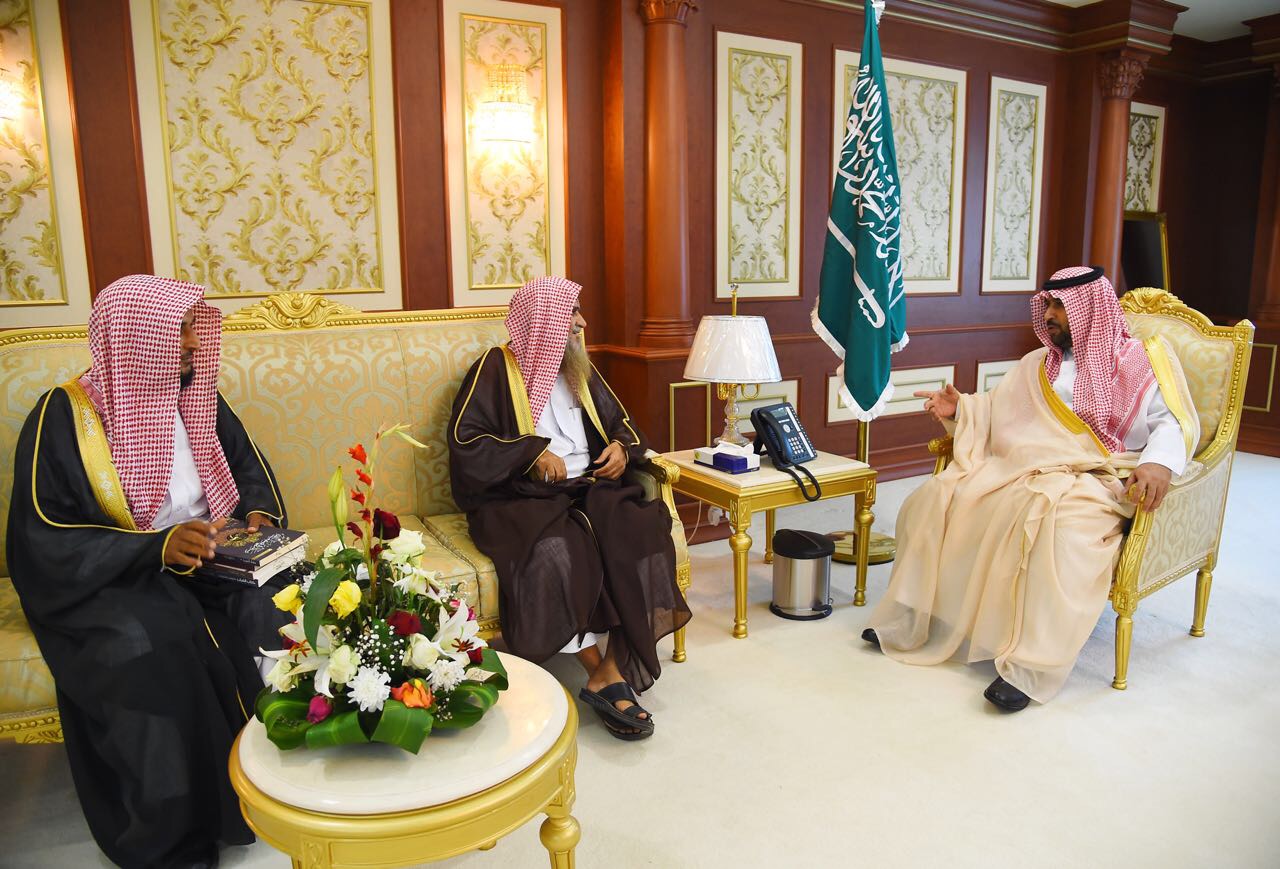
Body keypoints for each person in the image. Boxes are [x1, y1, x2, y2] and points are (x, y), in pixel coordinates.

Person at [7, 274, 291, 867]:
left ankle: (292, 776)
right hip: (119, 572)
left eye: (192, 328)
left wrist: (257, 520)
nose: (193, 342)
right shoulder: (65, 415)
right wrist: (156, 549)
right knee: (152, 646)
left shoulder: (200, 396)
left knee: (294, 599)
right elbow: (44, 534)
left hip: (215, 554)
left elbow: (247, 468)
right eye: (179, 331)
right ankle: (181, 829)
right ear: (138, 338)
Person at [863, 266, 1199, 712]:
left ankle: (1029, 665)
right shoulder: (1037, 364)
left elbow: (1172, 422)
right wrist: (962, 410)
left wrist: (1158, 462)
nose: (1050, 314)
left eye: (1060, 305)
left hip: (1097, 475)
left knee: (1060, 526)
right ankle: (914, 615)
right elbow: (999, 411)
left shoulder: (1139, 361)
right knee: (936, 496)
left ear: (1090, 308)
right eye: (1048, 304)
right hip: (1022, 466)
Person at [448, 276, 690, 740]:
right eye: (571, 313)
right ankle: (599, 672)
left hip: (593, 487)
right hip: (522, 496)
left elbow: (623, 424)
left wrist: (621, 448)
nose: (582, 323)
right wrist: (531, 453)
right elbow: (467, 442)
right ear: (544, 321)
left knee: (643, 532)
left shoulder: (579, 369)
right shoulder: (495, 369)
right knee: (557, 550)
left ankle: (610, 669)